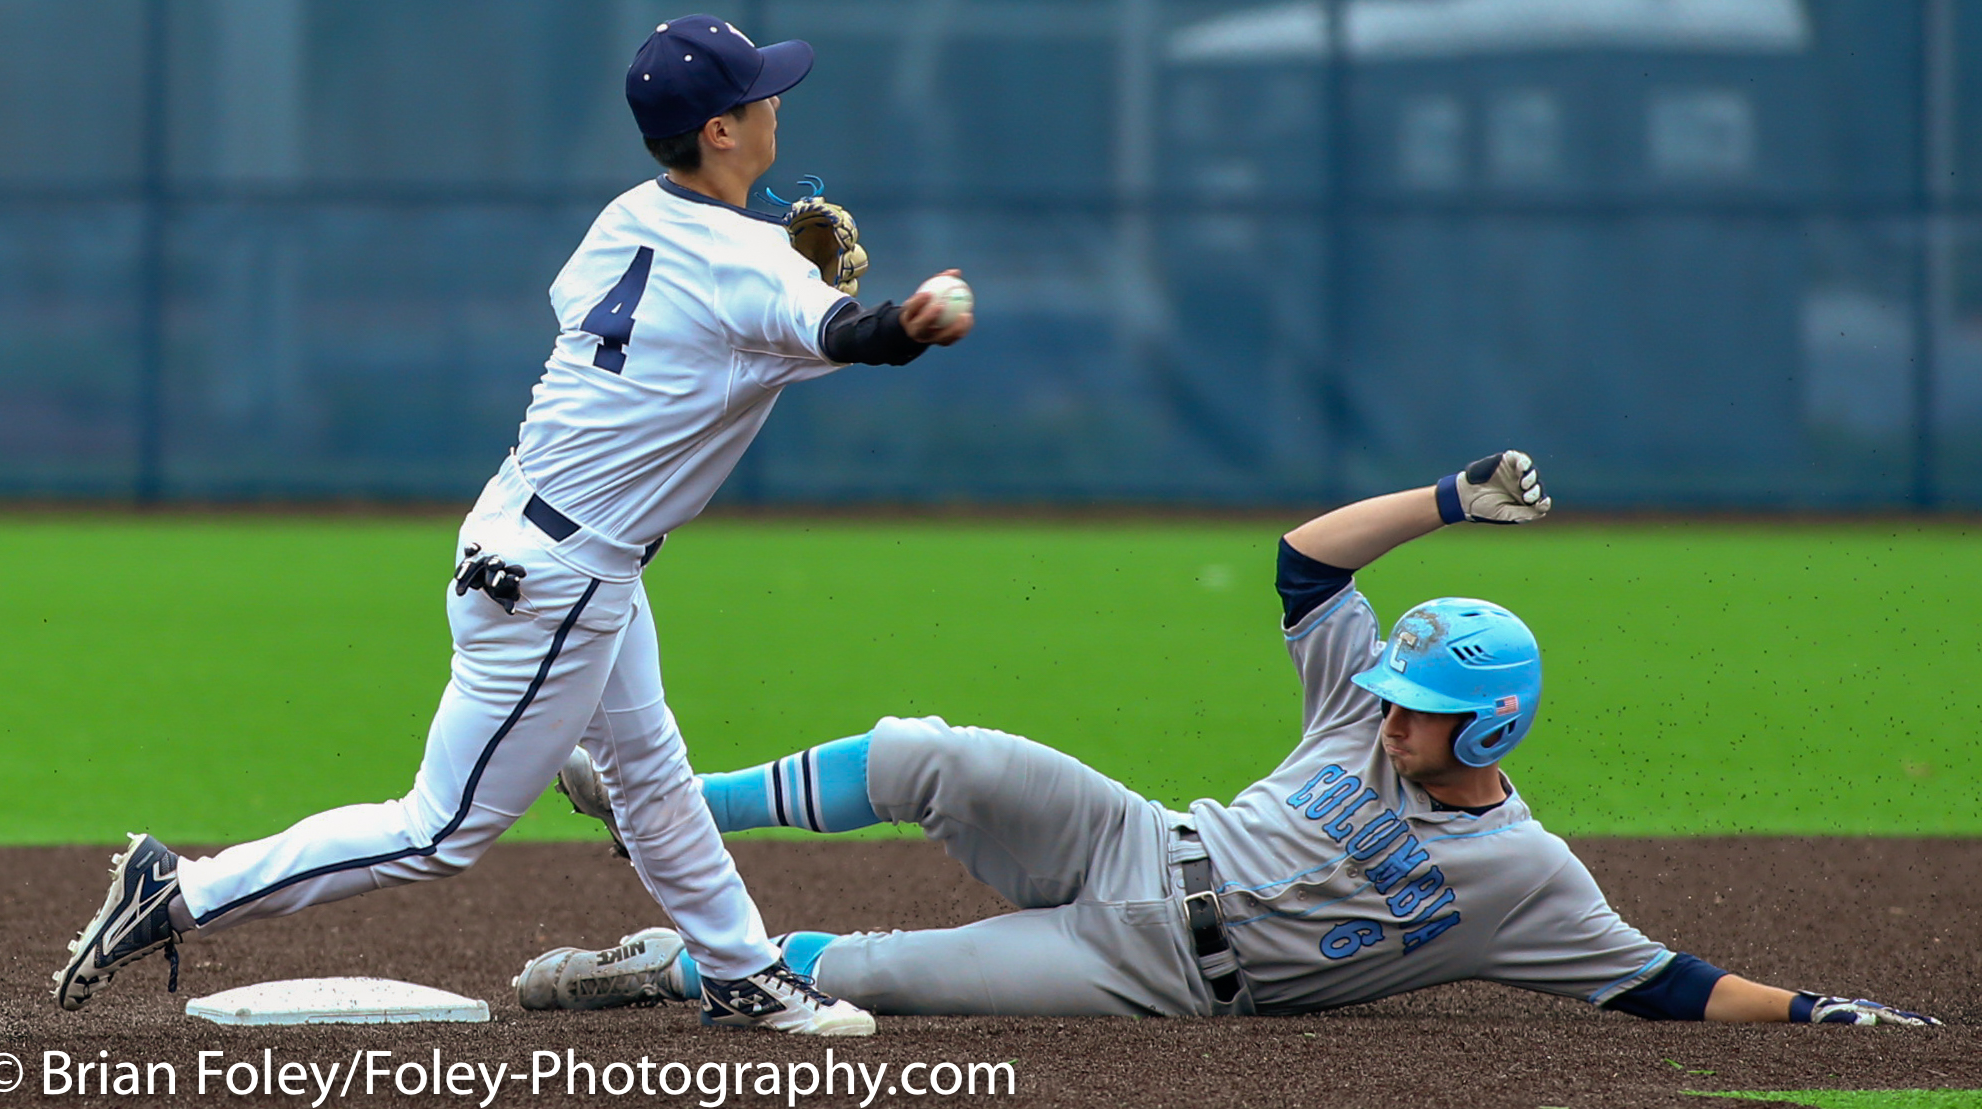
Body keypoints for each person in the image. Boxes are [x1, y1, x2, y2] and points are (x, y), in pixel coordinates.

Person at [54, 14, 974, 1038]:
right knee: (438, 829)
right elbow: (850, 335)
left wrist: (792, 299)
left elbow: (697, 340)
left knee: (649, 773)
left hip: (537, 529)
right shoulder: (751, 264)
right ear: (719, 130)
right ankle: (180, 889)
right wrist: (906, 319)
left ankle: (738, 967)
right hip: (560, 577)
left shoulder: (630, 217)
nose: (774, 104)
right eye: (759, 93)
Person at [516, 452, 1938, 1027]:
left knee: (874, 977)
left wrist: (1809, 1011)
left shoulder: (1524, 879)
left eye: (1420, 703)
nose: (1388, 707)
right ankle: (666, 805)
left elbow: (1663, 982)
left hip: (1156, 975)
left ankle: (668, 965)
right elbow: (1304, 562)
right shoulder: (1359, 709)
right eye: (1390, 686)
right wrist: (1448, 501)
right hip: (1139, 838)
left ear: (1492, 723)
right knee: (936, 752)